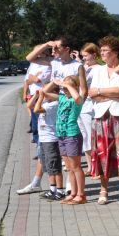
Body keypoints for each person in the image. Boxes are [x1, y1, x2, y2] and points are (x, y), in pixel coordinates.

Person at [88, 37, 119, 204]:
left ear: (115, 53)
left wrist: (101, 92)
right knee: (101, 154)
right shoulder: (98, 71)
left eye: (105, 51)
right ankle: (104, 190)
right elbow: (91, 93)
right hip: (101, 117)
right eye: (101, 51)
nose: (101, 53)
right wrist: (109, 93)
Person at [54, 75, 86, 204]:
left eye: (68, 88)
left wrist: (67, 85)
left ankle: (81, 195)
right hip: (61, 134)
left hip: (72, 135)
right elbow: (45, 92)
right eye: (63, 88)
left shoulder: (76, 100)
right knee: (69, 168)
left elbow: (77, 97)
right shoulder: (62, 98)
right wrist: (55, 82)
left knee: (76, 166)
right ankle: (73, 193)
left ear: (75, 87)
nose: (65, 90)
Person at [31, 89, 66, 200]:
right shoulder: (47, 103)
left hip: (51, 139)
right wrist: (36, 95)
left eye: (46, 93)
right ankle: (52, 189)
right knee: (49, 166)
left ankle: (60, 191)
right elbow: (29, 105)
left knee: (55, 166)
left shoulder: (54, 105)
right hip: (44, 139)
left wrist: (41, 97)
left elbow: (36, 109)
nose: (44, 95)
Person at [77, 43, 100, 174]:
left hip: (90, 107)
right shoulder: (84, 67)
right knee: (84, 137)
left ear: (94, 55)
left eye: (86, 56)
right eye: (82, 56)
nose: (84, 58)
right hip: (81, 106)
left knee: (92, 137)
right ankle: (90, 167)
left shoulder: (98, 69)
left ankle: (96, 167)